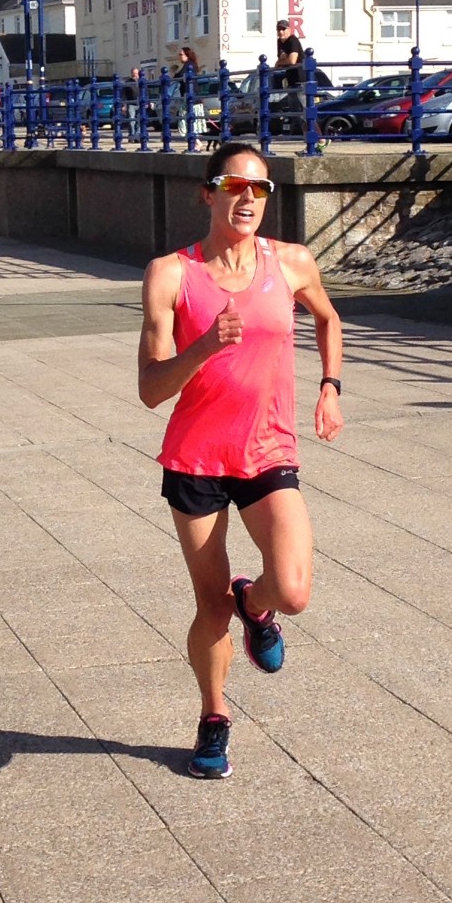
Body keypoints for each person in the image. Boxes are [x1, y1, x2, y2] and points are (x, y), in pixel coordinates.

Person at [138, 141, 344, 779]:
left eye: (260, 188)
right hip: (196, 459)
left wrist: (330, 387)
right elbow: (150, 389)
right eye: (235, 186)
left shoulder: (290, 262)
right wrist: (203, 345)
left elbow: (329, 319)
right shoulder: (171, 273)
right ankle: (214, 715)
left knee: (295, 591)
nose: (249, 198)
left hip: (268, 450)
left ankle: (258, 605)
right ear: (209, 193)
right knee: (209, 606)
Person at [274, 20, 323, 145]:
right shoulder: (280, 42)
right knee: (299, 115)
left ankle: (321, 139)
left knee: (307, 112)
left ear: (289, 29)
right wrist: (281, 62)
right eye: (279, 29)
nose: (281, 32)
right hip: (291, 81)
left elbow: (292, 60)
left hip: (301, 81)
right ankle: (309, 143)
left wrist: (279, 62)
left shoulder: (293, 40)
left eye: (283, 29)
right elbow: (282, 59)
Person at [174, 46, 204, 151]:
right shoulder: (189, 65)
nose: (179, 57)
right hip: (189, 98)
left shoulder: (189, 65)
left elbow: (179, 75)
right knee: (186, 121)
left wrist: (174, 75)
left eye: (181, 54)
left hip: (192, 99)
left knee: (187, 121)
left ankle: (196, 143)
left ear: (187, 55)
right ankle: (194, 143)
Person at [123, 66, 140, 142]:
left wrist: (148, 102)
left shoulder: (141, 81)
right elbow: (123, 94)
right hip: (131, 104)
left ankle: (137, 136)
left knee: (139, 121)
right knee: (131, 121)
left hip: (140, 103)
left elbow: (146, 93)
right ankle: (132, 136)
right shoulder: (128, 82)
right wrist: (124, 104)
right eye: (133, 73)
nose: (135, 75)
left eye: (136, 73)